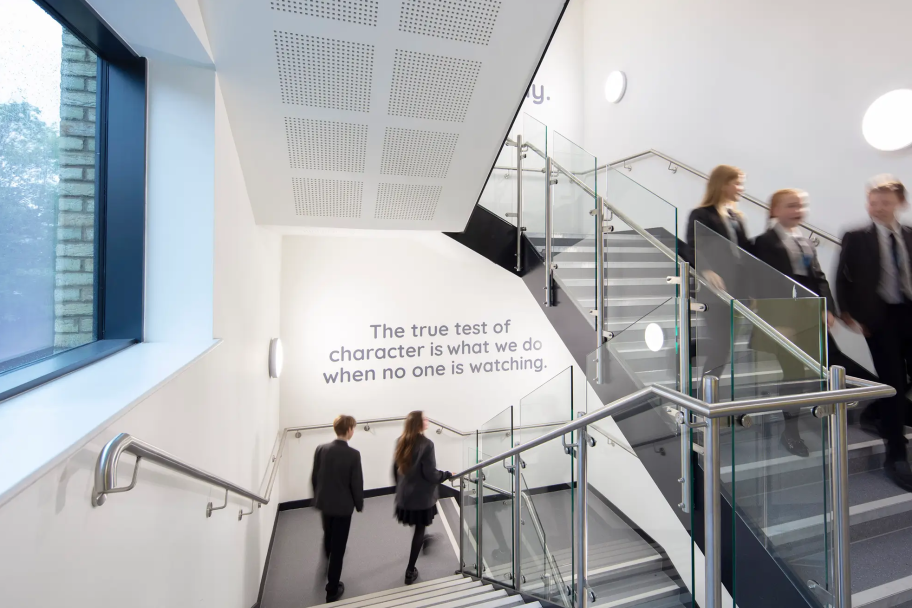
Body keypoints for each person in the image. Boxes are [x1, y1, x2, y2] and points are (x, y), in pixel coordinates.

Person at [837, 175, 912, 492]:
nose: (878, 208)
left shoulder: (909, 235)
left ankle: (875, 412)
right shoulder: (856, 237)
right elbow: (842, 277)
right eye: (873, 202)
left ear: (900, 204)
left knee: (902, 382)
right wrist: (847, 311)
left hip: (909, 312)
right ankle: (895, 454)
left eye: (885, 203)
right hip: (879, 320)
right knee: (893, 381)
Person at [753, 189, 836, 456]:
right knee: (794, 375)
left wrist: (827, 308)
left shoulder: (806, 242)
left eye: (800, 205)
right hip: (783, 319)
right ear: (775, 210)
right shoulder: (763, 242)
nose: (797, 211)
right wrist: (778, 322)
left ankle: (826, 422)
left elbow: (818, 278)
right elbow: (763, 285)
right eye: (790, 206)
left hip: (809, 316)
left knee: (825, 369)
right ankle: (790, 433)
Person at [685, 165, 752, 381]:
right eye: (737, 183)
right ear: (722, 185)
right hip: (715, 291)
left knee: (725, 344)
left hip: (737, 290)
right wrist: (706, 270)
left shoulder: (736, 217)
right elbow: (694, 246)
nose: (741, 188)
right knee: (721, 345)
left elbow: (745, 255)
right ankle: (704, 392)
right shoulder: (701, 214)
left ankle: (693, 354)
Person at [393, 411, 452, 585]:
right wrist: (447, 474)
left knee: (418, 526)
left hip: (405, 494)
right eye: (424, 419)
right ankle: (410, 571)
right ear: (419, 424)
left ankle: (424, 541)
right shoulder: (427, 444)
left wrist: (400, 489)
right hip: (420, 496)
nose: (427, 420)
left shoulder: (400, 440)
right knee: (419, 528)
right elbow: (430, 474)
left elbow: (395, 469)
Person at [312, 415, 364, 602]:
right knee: (339, 547)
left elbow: (315, 477)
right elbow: (356, 483)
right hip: (343, 507)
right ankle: (332, 588)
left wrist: (317, 497)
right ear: (349, 429)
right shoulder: (353, 454)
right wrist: (359, 504)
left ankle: (327, 561)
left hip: (325, 503)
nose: (353, 431)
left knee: (328, 534)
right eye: (353, 428)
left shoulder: (321, 449)